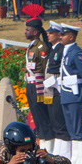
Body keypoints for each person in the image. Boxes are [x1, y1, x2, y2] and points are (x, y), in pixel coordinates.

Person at [46, 23, 82, 164]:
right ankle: (75, 161)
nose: (61, 37)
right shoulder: (67, 51)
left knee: (78, 129)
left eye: (63, 35)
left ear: (71, 37)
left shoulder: (77, 52)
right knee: (72, 129)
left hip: (76, 94)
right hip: (66, 94)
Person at [23, 18, 53, 154]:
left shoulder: (41, 47)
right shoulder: (32, 46)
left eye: (28, 30)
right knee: (36, 114)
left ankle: (48, 147)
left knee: (41, 115)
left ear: (35, 32)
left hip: (38, 83)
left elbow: (45, 67)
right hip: (30, 83)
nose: (25, 32)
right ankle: (42, 144)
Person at [43, 22, 72, 159]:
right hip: (51, 90)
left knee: (60, 124)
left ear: (58, 35)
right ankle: (58, 153)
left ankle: (64, 155)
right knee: (55, 123)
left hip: (57, 90)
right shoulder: (54, 49)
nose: (48, 35)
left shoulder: (61, 49)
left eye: (51, 33)